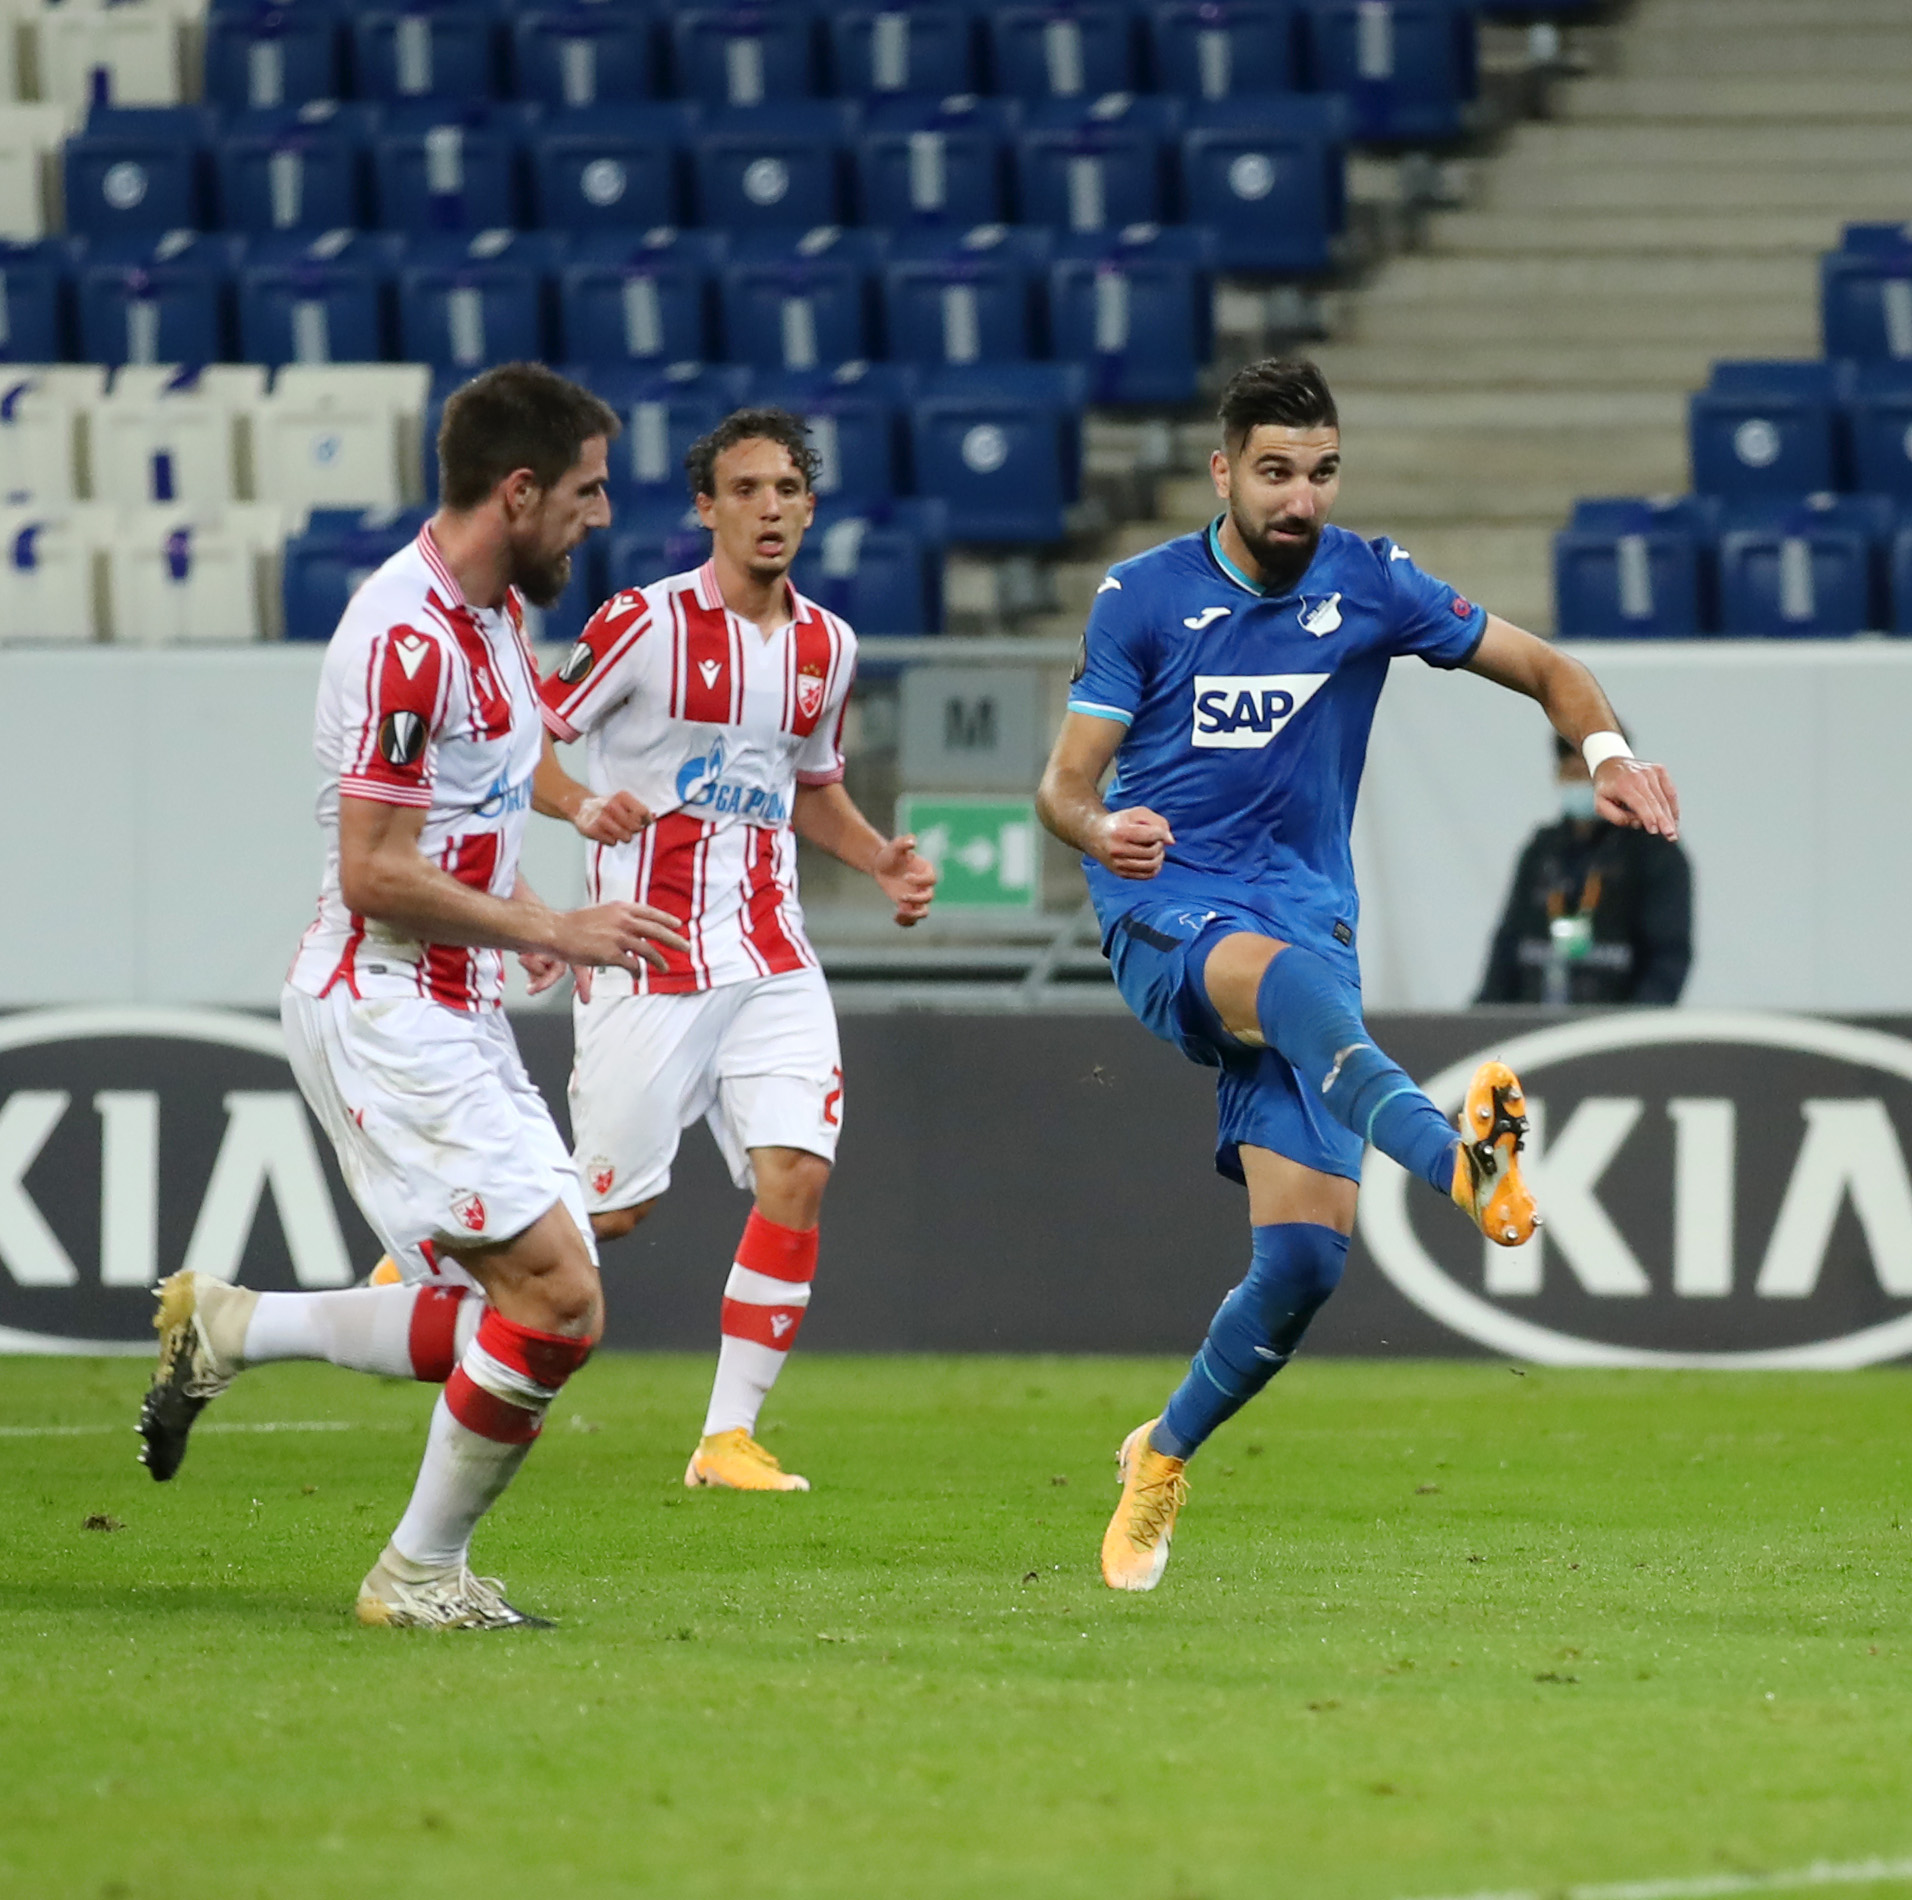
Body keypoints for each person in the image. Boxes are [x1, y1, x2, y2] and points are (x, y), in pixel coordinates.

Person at [1034, 358, 1683, 1593]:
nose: (1301, 497)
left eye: (1321, 472)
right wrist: (1093, 829)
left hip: (1303, 921)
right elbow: (1065, 782)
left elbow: (1550, 667)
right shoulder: (1144, 599)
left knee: (1306, 1263)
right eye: (1275, 471)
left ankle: (1161, 1454)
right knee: (1283, 981)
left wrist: (1602, 749)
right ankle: (1461, 1167)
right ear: (1222, 471)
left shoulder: (1371, 583)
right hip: (1168, 905)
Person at [138, 362, 685, 1631]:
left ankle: (231, 1322)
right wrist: (552, 921)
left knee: (533, 1291)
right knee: (555, 1300)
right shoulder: (405, 635)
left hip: (457, 998)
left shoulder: (494, 616)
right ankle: (416, 1572)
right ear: (519, 489)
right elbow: (376, 873)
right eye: (587, 492)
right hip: (380, 1004)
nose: (598, 517)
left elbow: (477, 797)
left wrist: (519, 915)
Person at [523, 407, 937, 1492]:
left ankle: (726, 1437)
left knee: (796, 1170)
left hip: (771, 952)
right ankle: (425, 1260)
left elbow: (805, 782)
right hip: (645, 949)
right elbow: (532, 744)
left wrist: (876, 858)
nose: (769, 509)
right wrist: (577, 810)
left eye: (787, 490)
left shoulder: (828, 645)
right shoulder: (644, 624)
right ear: (705, 508)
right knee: (611, 1210)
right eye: (745, 490)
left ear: (809, 505)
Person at [1476, 731, 1693, 1006]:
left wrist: (1638, 1027)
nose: (1582, 783)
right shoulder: (1543, 849)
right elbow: (1509, 944)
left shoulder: (1653, 852)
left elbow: (1668, 955)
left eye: (1590, 774)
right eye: (1572, 772)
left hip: (1614, 1024)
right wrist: (1484, 1016)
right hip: (1536, 1014)